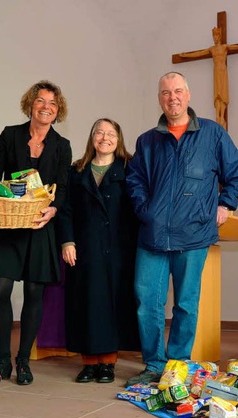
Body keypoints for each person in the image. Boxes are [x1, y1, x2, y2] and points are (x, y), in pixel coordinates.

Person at [125, 72, 238, 386]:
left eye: (178, 91)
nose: (172, 98)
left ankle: (177, 366)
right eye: (165, 92)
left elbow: (237, 175)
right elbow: (135, 180)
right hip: (153, 235)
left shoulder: (213, 134)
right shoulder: (147, 140)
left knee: (185, 303)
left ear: (189, 95)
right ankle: (154, 364)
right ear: (159, 98)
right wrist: (145, 211)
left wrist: (225, 203)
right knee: (146, 302)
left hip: (193, 235)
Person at [0, 80, 71, 387]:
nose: (46, 107)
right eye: (41, 101)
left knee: (34, 294)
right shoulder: (9, 135)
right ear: (30, 104)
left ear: (58, 111)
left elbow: (62, 187)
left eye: (53, 104)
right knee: (0, 290)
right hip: (9, 225)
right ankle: (2, 361)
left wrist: (53, 209)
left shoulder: (62, 145)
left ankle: (22, 361)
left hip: (40, 228)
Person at [57, 118, 140, 384]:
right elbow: (65, 209)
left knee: (113, 304)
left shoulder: (130, 168)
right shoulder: (76, 170)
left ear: (119, 138)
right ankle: (88, 362)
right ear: (92, 137)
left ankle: (108, 363)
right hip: (85, 248)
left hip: (119, 249)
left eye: (111, 133)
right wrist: (67, 241)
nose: (105, 137)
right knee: (86, 303)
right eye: (99, 132)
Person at [176, 27, 238, 129]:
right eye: (213, 36)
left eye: (216, 35)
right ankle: (218, 116)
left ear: (220, 36)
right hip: (216, 72)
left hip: (223, 71)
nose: (215, 38)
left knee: (222, 92)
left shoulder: (224, 47)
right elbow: (199, 53)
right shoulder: (212, 49)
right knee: (217, 93)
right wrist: (185, 55)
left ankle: (222, 116)